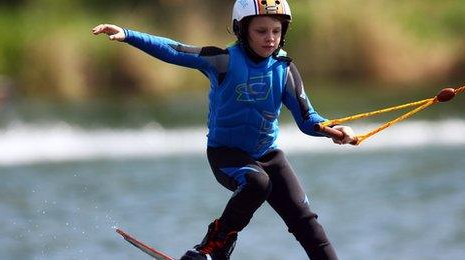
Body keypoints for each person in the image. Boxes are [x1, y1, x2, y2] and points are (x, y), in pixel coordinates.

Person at [92, 0, 355, 259]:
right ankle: (208, 248)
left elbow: (308, 118)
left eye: (276, 31)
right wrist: (127, 35)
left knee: (306, 223)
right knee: (257, 183)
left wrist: (332, 129)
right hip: (226, 155)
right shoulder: (223, 61)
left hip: (269, 155)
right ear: (242, 31)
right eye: (261, 31)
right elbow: (174, 50)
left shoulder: (284, 68)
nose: (270, 39)